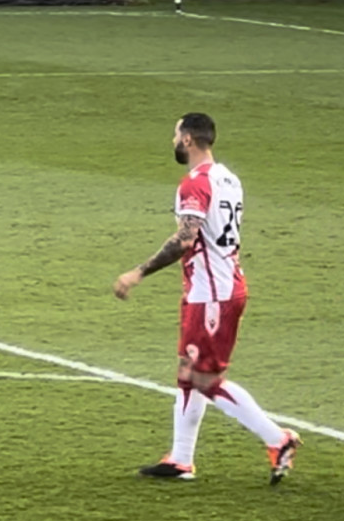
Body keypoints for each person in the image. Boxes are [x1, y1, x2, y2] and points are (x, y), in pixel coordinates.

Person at [114, 112, 301, 482]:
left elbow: (185, 239)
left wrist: (138, 272)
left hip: (213, 293)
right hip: (217, 286)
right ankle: (181, 459)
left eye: (175, 134)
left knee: (204, 379)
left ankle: (278, 439)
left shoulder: (194, 184)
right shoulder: (229, 178)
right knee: (188, 372)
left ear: (187, 140)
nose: (172, 141)